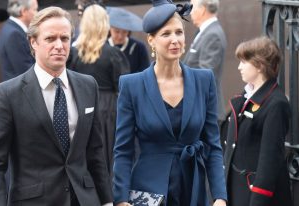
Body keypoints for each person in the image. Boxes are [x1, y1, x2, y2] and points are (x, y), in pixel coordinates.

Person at [0, 6, 113, 206]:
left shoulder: (88, 85)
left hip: (85, 199)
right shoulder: (8, 94)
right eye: (51, 39)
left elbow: (95, 152)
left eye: (65, 38)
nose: (59, 45)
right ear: (33, 42)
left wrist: (107, 201)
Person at [113, 1, 227, 206]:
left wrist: (220, 196)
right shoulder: (132, 85)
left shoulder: (204, 81)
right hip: (148, 192)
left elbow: (213, 145)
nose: (175, 40)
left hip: (193, 188)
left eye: (179, 32)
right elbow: (123, 149)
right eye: (166, 34)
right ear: (151, 40)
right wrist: (121, 200)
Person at [224, 36, 293, 206]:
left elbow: (269, 161)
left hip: (256, 197)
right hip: (236, 191)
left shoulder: (276, 104)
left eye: (244, 61)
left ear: (260, 65)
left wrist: (257, 201)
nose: (239, 67)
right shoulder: (245, 97)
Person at [67, 4, 130, 176]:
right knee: (105, 156)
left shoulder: (72, 54)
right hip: (107, 109)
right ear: (105, 24)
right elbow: (123, 88)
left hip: (78, 107)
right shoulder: (114, 54)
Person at [183, 0, 227, 123]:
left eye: (192, 8)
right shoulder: (206, 31)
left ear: (202, 9)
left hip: (204, 111)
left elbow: (205, 76)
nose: (190, 12)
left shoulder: (212, 34)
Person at [0, 0, 37, 81]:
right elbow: (25, 70)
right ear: (23, 11)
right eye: (35, 9)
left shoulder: (10, 27)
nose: (37, 13)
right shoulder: (14, 33)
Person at [107, 7, 150, 73]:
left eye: (124, 32)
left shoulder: (138, 47)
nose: (120, 36)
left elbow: (145, 71)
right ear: (110, 28)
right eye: (117, 31)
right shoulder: (103, 47)